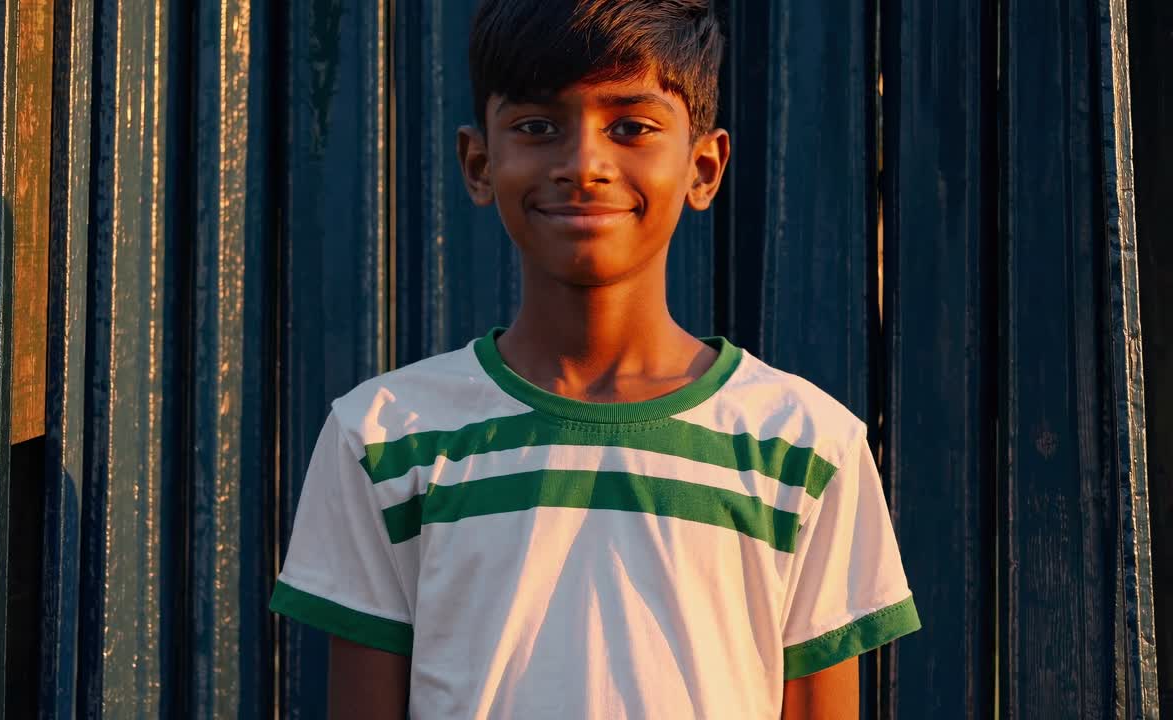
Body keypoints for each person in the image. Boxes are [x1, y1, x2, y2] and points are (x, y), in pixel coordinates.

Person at [269, 1, 920, 717]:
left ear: (703, 168)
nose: (583, 165)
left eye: (632, 127)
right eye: (537, 127)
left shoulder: (804, 443)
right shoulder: (384, 436)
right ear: (479, 164)